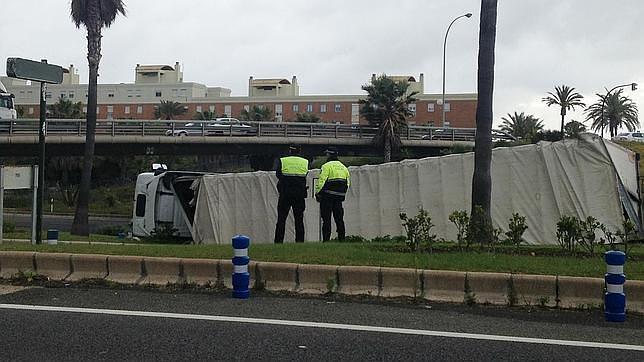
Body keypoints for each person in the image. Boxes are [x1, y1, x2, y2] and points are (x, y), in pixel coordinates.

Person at [274, 145, 309, 243]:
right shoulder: (305, 162)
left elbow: (278, 175)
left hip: (285, 193)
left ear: (290, 151)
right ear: (299, 151)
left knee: (281, 219)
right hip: (299, 194)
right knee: (299, 219)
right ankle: (300, 241)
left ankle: (278, 242)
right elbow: (305, 174)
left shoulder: (283, 161)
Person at [315, 146, 350, 241]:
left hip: (327, 196)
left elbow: (321, 181)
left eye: (327, 153)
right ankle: (342, 239)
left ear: (329, 154)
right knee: (339, 219)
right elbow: (347, 183)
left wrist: (318, 193)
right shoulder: (343, 167)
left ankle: (326, 240)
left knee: (326, 220)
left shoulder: (326, 166)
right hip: (339, 198)